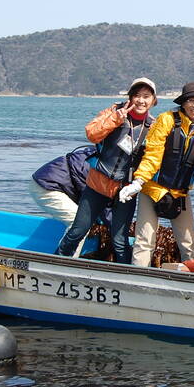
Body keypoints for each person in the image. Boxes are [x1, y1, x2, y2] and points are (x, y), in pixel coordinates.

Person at [119, 82, 194, 267]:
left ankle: (191, 282)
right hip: (152, 189)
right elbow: (153, 153)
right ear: (183, 103)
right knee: (145, 241)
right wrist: (138, 181)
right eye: (191, 100)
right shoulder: (166, 120)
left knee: (188, 243)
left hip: (180, 194)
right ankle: (138, 279)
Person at [55, 77, 157, 262]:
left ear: (153, 100)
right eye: (137, 95)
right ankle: (56, 262)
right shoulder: (114, 112)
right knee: (77, 231)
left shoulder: (154, 126)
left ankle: (124, 277)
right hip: (98, 185)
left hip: (125, 191)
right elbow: (92, 134)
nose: (141, 101)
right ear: (130, 97)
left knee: (119, 240)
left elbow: (154, 159)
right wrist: (116, 119)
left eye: (146, 96)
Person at [30, 145, 99, 226]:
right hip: (47, 186)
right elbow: (97, 204)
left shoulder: (102, 154)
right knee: (80, 224)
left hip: (55, 182)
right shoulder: (100, 167)